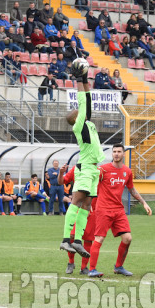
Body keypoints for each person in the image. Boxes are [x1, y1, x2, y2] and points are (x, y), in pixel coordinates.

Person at [86, 144, 152, 278]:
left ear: (123, 154)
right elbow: (91, 184)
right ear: (112, 154)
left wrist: (144, 202)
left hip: (118, 210)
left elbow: (131, 189)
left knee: (127, 238)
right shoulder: (103, 170)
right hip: (103, 209)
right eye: (114, 152)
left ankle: (118, 267)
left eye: (119, 151)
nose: (116, 154)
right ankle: (92, 269)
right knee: (99, 238)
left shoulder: (127, 171)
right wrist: (88, 203)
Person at [59, 64, 105, 257]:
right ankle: (64, 240)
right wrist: (78, 80)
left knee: (86, 205)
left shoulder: (87, 123)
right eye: (80, 112)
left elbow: (88, 100)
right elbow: (83, 101)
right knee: (77, 202)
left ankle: (77, 240)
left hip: (93, 169)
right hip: (85, 168)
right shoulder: (79, 125)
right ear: (76, 117)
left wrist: (85, 79)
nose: (83, 111)